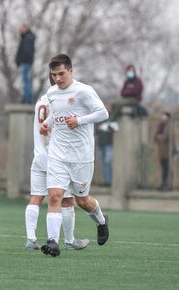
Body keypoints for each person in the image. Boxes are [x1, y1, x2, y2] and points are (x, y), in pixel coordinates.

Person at [40, 54, 109, 257]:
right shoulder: (51, 92)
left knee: (82, 201)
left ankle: (102, 221)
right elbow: (56, 113)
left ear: (71, 71)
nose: (58, 79)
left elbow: (103, 113)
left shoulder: (84, 91)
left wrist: (79, 120)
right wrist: (48, 124)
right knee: (55, 196)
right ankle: (52, 242)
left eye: (61, 73)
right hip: (57, 154)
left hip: (81, 157)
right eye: (54, 75)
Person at [25, 74, 89, 251]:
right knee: (67, 201)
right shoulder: (59, 102)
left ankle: (30, 239)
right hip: (56, 157)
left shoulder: (40, 101)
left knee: (36, 197)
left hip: (38, 155)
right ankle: (70, 241)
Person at [154, 112, 177, 191]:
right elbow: (155, 137)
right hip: (161, 151)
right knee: (164, 168)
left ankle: (169, 185)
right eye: (162, 116)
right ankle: (163, 184)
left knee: (168, 168)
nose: (162, 118)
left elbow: (168, 137)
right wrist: (158, 137)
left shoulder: (170, 126)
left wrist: (160, 137)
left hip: (168, 151)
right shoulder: (160, 126)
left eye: (164, 116)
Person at [96, 108, 118, 186]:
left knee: (107, 162)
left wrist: (106, 127)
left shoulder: (112, 120)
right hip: (101, 144)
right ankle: (106, 181)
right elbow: (96, 131)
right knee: (103, 164)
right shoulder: (100, 120)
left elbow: (115, 129)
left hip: (109, 145)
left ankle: (110, 181)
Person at [15, 24, 36, 104]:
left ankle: (27, 98)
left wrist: (21, 60)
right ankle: (27, 97)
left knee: (25, 80)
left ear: (25, 28)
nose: (20, 30)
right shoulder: (26, 37)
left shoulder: (27, 38)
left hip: (25, 62)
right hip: (26, 62)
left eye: (21, 29)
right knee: (26, 80)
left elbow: (26, 51)